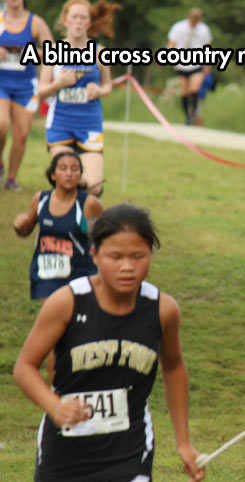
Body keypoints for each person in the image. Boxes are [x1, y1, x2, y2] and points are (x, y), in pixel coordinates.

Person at [13, 203, 206, 482]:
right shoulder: (67, 302)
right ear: (94, 254)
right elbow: (24, 367)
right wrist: (54, 406)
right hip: (65, 452)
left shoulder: (163, 309)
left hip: (130, 449)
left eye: (138, 256)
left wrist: (184, 443)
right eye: (115, 256)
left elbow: (174, 368)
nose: (127, 267)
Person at [14, 150, 103, 381]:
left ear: (80, 175)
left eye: (75, 169)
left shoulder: (89, 204)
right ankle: (57, 388)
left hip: (80, 274)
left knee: (79, 332)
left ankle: (83, 381)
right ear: (53, 174)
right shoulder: (41, 200)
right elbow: (26, 229)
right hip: (47, 275)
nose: (69, 173)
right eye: (63, 168)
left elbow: (102, 240)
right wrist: (20, 225)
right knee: (55, 333)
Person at [38, 0, 120, 197]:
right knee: (67, 182)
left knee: (93, 187)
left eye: (83, 17)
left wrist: (98, 91)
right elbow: (41, 91)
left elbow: (108, 85)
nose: (78, 22)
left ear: (89, 23)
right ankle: (65, 223)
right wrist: (59, 84)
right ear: (65, 21)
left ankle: (86, 219)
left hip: (89, 125)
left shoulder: (100, 52)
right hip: (60, 125)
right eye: (74, 17)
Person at [0, 0, 53, 191]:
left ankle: (11, 179)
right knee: (1, 124)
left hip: (26, 86)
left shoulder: (35, 23)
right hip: (1, 83)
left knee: (21, 135)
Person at [167, 7, 212, 125]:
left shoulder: (204, 29)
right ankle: (187, 116)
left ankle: (194, 113)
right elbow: (172, 43)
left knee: (194, 89)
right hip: (181, 63)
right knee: (184, 92)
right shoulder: (178, 27)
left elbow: (207, 47)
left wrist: (207, 64)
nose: (194, 23)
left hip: (196, 62)